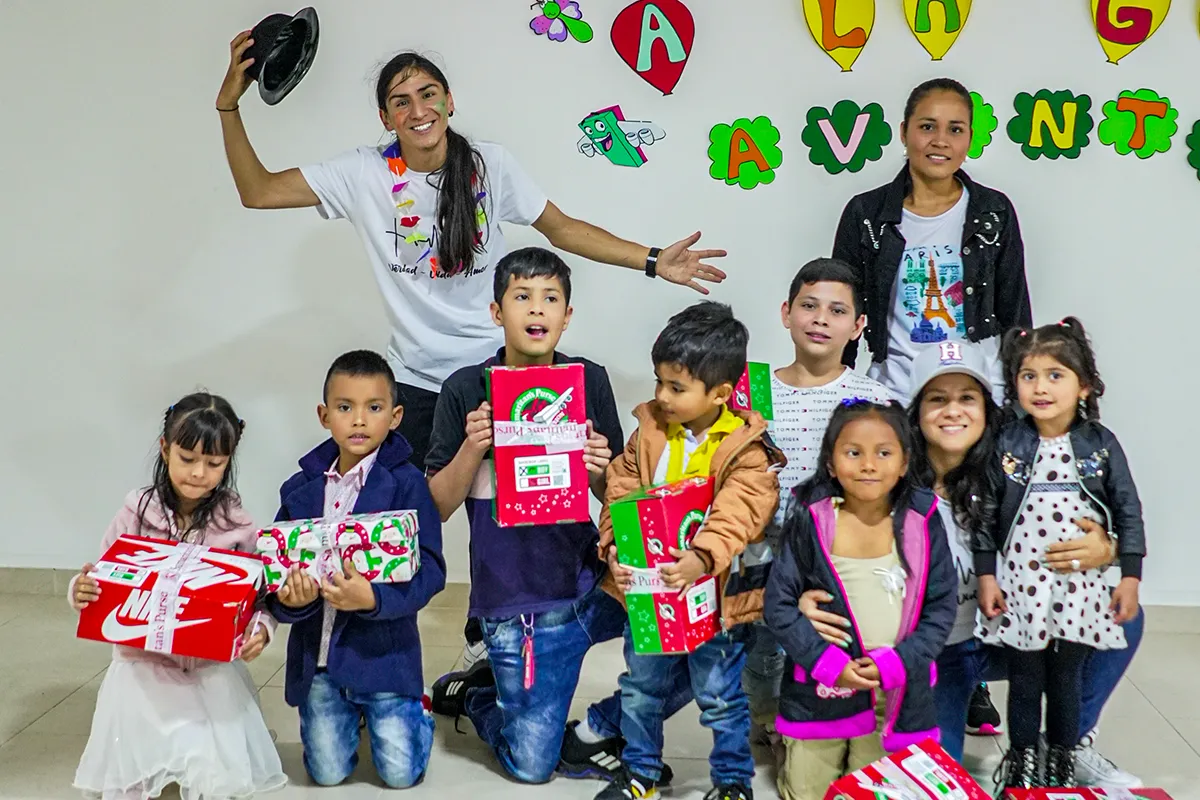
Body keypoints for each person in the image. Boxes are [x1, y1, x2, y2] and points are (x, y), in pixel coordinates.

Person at [216, 44, 726, 472]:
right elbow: (257, 191)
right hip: (415, 381)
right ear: (385, 117)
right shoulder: (362, 174)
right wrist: (229, 108)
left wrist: (655, 259)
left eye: (428, 95)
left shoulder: (490, 166)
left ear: (449, 101)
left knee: (515, 519)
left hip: (498, 371)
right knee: (409, 520)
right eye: (401, 102)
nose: (418, 111)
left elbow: (562, 228)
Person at [798, 340, 1147, 788]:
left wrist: (1111, 548)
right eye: (937, 399)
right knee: (932, 777)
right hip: (934, 655)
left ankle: (1065, 743)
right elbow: (821, 528)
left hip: (1003, 636)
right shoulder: (886, 478)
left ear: (987, 408)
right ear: (916, 411)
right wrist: (807, 595)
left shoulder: (1015, 468)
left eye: (968, 398)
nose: (953, 411)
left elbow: (1080, 522)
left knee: (1123, 621)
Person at [423, 247, 686, 785]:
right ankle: (479, 693)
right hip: (515, 603)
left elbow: (617, 493)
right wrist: (473, 448)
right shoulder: (464, 388)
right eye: (522, 297)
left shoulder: (588, 380)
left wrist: (598, 470)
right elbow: (438, 507)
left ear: (567, 316)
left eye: (550, 298)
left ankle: (598, 724)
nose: (536, 310)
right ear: (497, 312)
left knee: (699, 633)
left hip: (592, 580)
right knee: (531, 766)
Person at [597, 301, 784, 800]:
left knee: (721, 696)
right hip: (648, 595)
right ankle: (641, 772)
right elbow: (620, 488)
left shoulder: (745, 448)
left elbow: (741, 511)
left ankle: (731, 782)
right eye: (659, 381)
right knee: (640, 688)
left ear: (720, 393)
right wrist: (614, 543)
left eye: (676, 388)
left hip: (715, 600)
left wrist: (701, 558)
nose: (661, 396)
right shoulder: (649, 430)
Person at [69, 393, 286, 800]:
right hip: (144, 662)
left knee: (212, 769)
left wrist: (261, 629)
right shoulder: (135, 514)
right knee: (138, 746)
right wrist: (81, 590)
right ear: (165, 449)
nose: (199, 473)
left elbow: (260, 597)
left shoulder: (236, 524)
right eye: (187, 459)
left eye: (214, 464)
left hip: (207, 667)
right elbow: (101, 575)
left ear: (229, 461)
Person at [976, 318, 1144, 788]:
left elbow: (1128, 509)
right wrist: (988, 575)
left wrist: (1129, 573)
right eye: (1029, 376)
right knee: (1026, 677)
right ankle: (1023, 761)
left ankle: (1063, 761)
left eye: (1056, 375)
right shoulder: (1007, 442)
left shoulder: (1101, 446)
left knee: (1065, 678)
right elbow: (987, 516)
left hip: (1079, 586)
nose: (1041, 387)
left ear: (1084, 386)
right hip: (1022, 586)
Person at [266, 350, 446, 789]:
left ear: (396, 415)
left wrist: (375, 598)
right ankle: (348, 719)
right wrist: (290, 600)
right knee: (326, 774)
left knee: (401, 775)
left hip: (384, 657)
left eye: (374, 408)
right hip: (320, 659)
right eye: (345, 408)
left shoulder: (408, 486)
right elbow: (276, 570)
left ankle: (415, 714)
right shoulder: (300, 490)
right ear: (325, 415)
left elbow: (432, 570)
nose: (359, 420)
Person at [766, 399, 955, 800]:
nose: (869, 465)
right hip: (821, 689)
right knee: (808, 789)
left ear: (905, 463)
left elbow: (941, 608)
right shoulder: (809, 515)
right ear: (831, 463)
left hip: (896, 688)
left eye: (884, 453)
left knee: (872, 789)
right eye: (854, 453)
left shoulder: (922, 519)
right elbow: (779, 605)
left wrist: (897, 663)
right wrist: (828, 663)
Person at [741, 258, 894, 746]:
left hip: (835, 550)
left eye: (836, 311)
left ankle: (818, 721)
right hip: (762, 545)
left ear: (858, 326)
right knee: (763, 639)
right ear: (786, 313)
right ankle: (764, 716)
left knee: (825, 638)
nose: (820, 320)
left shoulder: (871, 398)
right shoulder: (750, 387)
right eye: (808, 306)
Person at [831, 77, 1032, 405]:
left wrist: (1022, 399)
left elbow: (1016, 313)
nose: (940, 141)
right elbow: (843, 310)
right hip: (893, 395)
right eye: (927, 127)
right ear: (903, 132)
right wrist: (838, 391)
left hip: (980, 397)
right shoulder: (866, 213)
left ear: (969, 139)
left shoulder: (994, 211)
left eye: (955, 129)